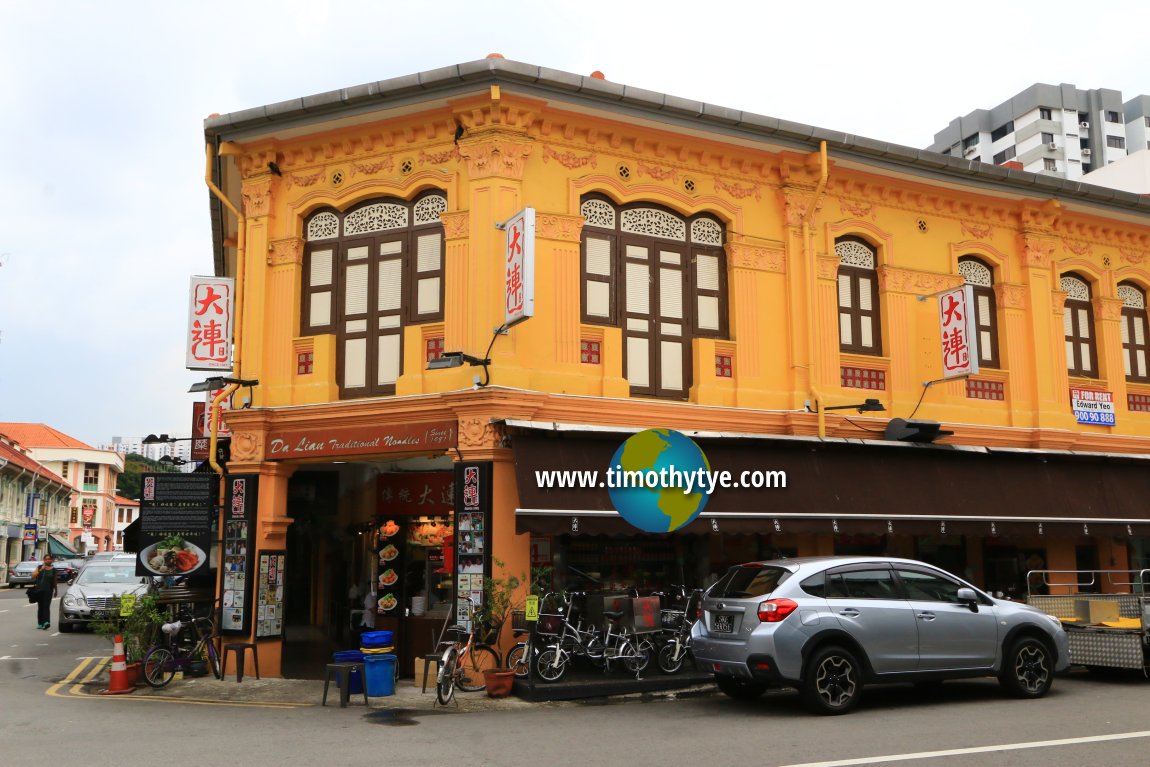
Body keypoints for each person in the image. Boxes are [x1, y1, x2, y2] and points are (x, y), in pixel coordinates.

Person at [31, 554, 57, 630]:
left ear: (52, 560)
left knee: (46, 606)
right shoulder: (39, 567)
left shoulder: (54, 570)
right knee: (40, 606)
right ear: (44, 560)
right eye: (46, 559)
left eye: (49, 559)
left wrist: (56, 590)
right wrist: (40, 570)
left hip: (48, 590)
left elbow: (55, 581)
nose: (47, 560)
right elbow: (33, 576)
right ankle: (40, 623)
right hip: (39, 590)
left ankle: (46, 622)